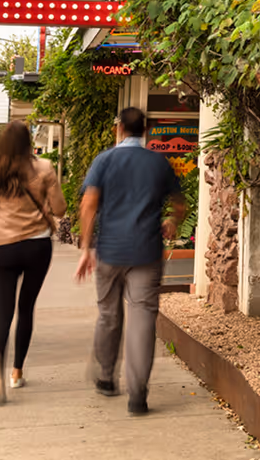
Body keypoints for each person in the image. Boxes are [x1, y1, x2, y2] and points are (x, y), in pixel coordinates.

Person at [75, 106, 187, 415]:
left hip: (110, 251)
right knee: (142, 321)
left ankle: (106, 376)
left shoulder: (105, 160)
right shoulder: (159, 162)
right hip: (147, 253)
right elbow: (180, 204)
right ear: (145, 130)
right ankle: (138, 395)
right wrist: (172, 223)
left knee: (108, 315)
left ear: (119, 128)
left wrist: (86, 248)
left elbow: (89, 204)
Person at [0, 121, 66, 405]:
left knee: (3, 311)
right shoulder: (45, 168)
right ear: (28, 142)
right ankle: (17, 372)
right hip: (37, 247)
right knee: (26, 309)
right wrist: (46, 204)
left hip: (4, 249)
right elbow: (60, 208)